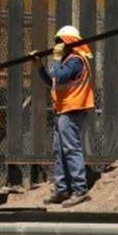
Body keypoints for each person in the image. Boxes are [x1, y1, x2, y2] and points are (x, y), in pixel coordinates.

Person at [32, 25, 95, 208]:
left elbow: (59, 77)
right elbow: (52, 81)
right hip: (64, 111)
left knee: (71, 149)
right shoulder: (67, 61)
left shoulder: (75, 60)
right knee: (59, 150)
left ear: (68, 42)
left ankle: (79, 189)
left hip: (72, 110)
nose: (57, 45)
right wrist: (40, 67)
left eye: (60, 42)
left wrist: (56, 58)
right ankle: (62, 189)